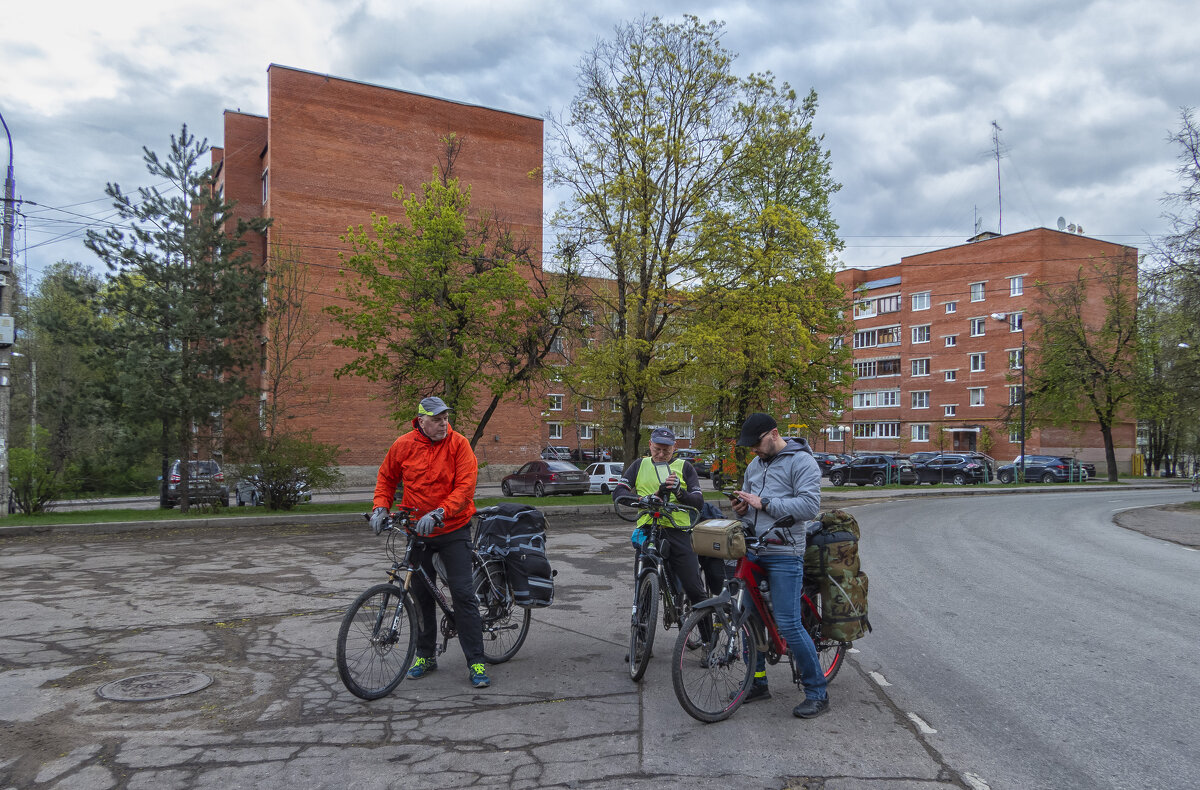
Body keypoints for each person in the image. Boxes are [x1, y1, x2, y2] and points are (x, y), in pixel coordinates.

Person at [369, 396, 489, 689]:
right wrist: (380, 507)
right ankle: (425, 655)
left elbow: (465, 487)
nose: (443, 424)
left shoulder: (459, 444)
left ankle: (476, 661)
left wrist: (440, 512)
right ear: (421, 421)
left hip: (452, 529)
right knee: (421, 597)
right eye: (437, 420)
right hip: (417, 532)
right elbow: (386, 478)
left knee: (462, 594)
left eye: (446, 418)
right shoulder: (403, 445)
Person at [729, 412, 829, 719]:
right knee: (748, 618)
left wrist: (766, 503)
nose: (754, 451)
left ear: (774, 434)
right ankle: (757, 683)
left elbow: (810, 507)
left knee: (787, 623)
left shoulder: (802, 462)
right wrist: (742, 509)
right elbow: (750, 514)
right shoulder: (754, 465)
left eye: (757, 444)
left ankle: (817, 693)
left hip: (785, 551)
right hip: (755, 548)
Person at [612, 427, 710, 628]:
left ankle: (708, 642)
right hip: (649, 528)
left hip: (679, 530)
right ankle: (640, 640)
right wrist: (643, 499)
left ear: (675, 447)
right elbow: (619, 493)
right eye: (657, 449)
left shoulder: (685, 467)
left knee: (694, 587)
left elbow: (699, 502)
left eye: (666, 450)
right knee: (643, 586)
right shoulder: (639, 464)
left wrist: (680, 493)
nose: (661, 454)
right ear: (650, 445)